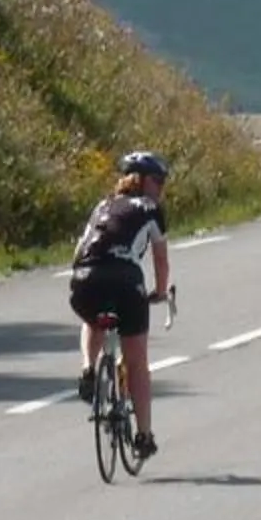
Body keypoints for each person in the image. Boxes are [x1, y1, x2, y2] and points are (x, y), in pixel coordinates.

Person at [68, 150, 173, 462]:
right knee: (137, 363)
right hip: (126, 281)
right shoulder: (152, 209)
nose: (162, 187)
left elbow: (78, 250)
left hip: (85, 279)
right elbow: (161, 259)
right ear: (141, 181)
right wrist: (160, 291)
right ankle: (143, 435)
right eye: (158, 180)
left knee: (93, 319)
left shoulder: (102, 206)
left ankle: (88, 368)